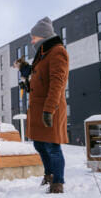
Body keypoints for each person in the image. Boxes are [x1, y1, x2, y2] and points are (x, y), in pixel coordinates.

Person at [26, 17, 69, 193]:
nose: (32, 40)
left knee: (52, 146)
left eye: (34, 37)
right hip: (38, 108)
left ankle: (57, 182)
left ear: (43, 36)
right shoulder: (43, 54)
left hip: (50, 108)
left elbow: (57, 83)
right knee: (39, 144)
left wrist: (49, 109)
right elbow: (40, 81)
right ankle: (49, 174)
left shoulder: (57, 52)